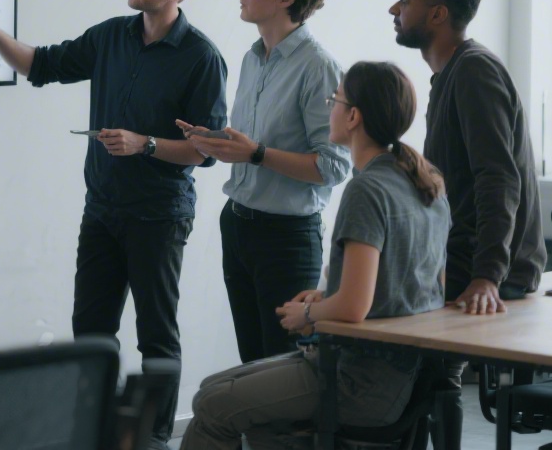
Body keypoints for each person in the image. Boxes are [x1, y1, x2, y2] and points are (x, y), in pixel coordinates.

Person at [0, 0, 228, 449]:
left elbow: (206, 151)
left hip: (157, 216)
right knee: (91, 332)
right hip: (101, 211)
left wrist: (144, 144)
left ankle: (156, 439)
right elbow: (41, 64)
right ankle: (94, 431)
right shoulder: (111, 37)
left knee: (157, 337)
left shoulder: (201, 58)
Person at [180, 61, 450, 450]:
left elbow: (355, 307)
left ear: (353, 116)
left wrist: (305, 314)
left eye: (334, 101)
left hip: (358, 379)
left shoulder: (367, 190)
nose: (330, 109)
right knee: (216, 392)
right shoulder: (423, 181)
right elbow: (406, 286)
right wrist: (326, 299)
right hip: (395, 378)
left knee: (213, 403)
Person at [389, 0, 546, 448]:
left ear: (438, 14)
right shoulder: (451, 75)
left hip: (484, 271)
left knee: (423, 369)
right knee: (427, 375)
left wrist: (486, 276)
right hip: (464, 262)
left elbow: (498, 179)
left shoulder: (474, 72)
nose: (394, 7)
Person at [178, 0, 350, 363]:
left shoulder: (318, 66)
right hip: (238, 225)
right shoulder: (253, 58)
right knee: (252, 364)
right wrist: (217, 140)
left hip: (286, 238)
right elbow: (257, 144)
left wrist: (255, 153)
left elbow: (334, 165)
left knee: (282, 368)